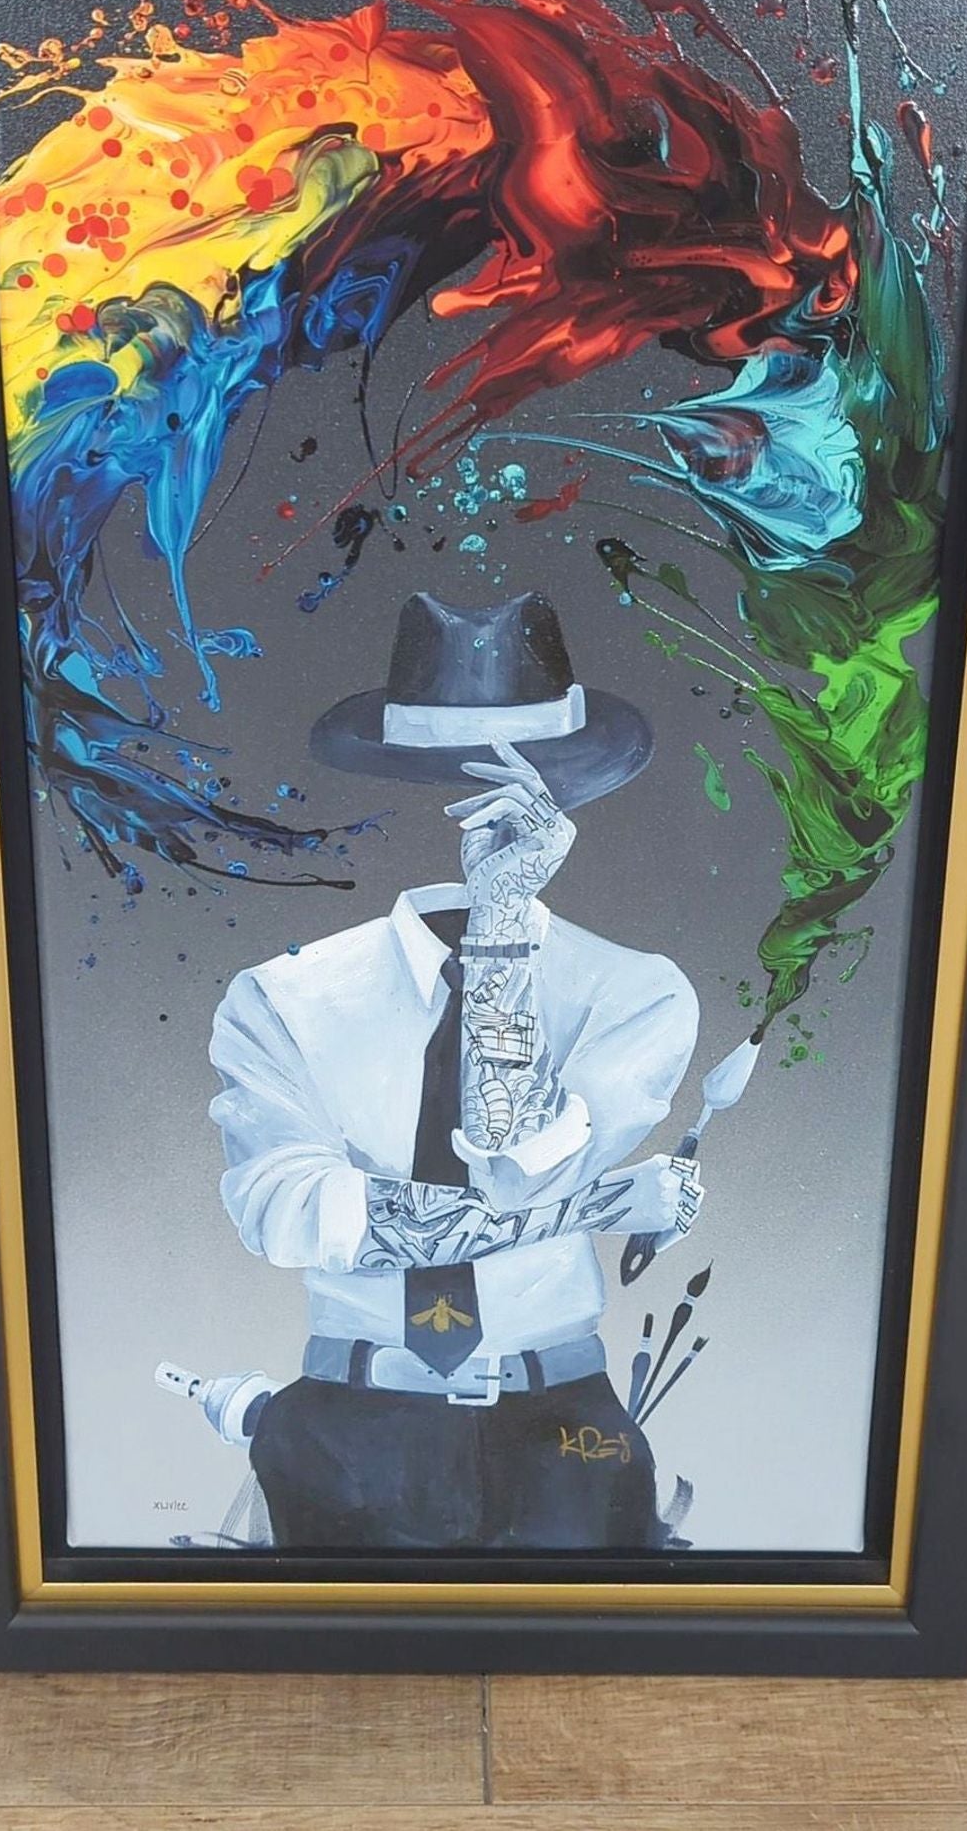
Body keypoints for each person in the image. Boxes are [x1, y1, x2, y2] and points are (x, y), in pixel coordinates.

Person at [207, 591, 702, 1550]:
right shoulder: (282, 997)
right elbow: (290, 1216)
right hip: (346, 1433)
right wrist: (607, 1202)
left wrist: (502, 926)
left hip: (567, 1431)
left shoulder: (636, 993)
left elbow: (518, 1165)